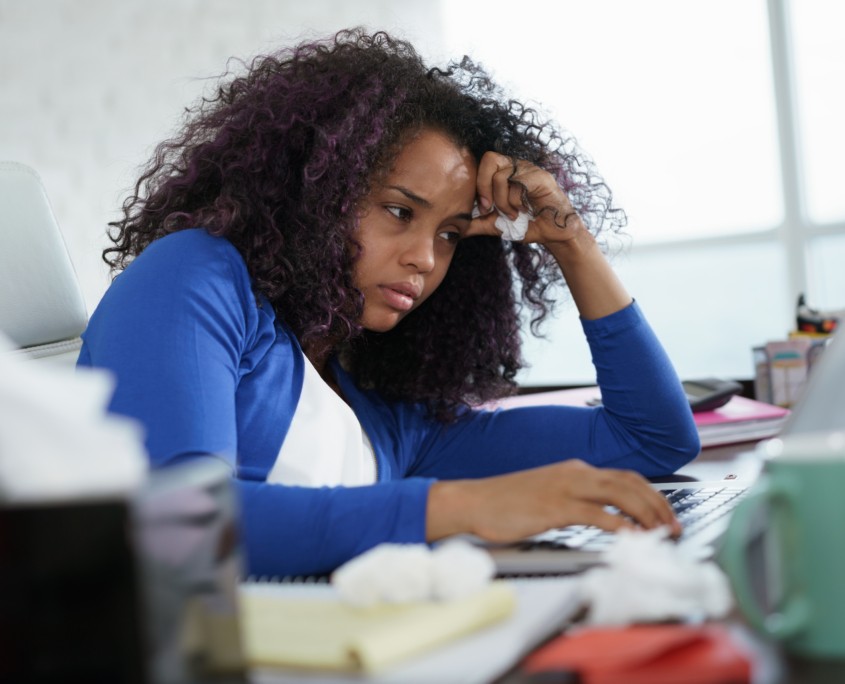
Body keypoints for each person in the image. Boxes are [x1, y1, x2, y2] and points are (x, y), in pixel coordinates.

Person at [78, 29, 699, 578]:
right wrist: (460, 507)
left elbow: (652, 439)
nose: (425, 258)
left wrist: (572, 243)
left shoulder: (390, 420)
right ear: (312, 189)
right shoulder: (194, 276)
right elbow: (181, 527)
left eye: (451, 233)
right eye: (399, 211)